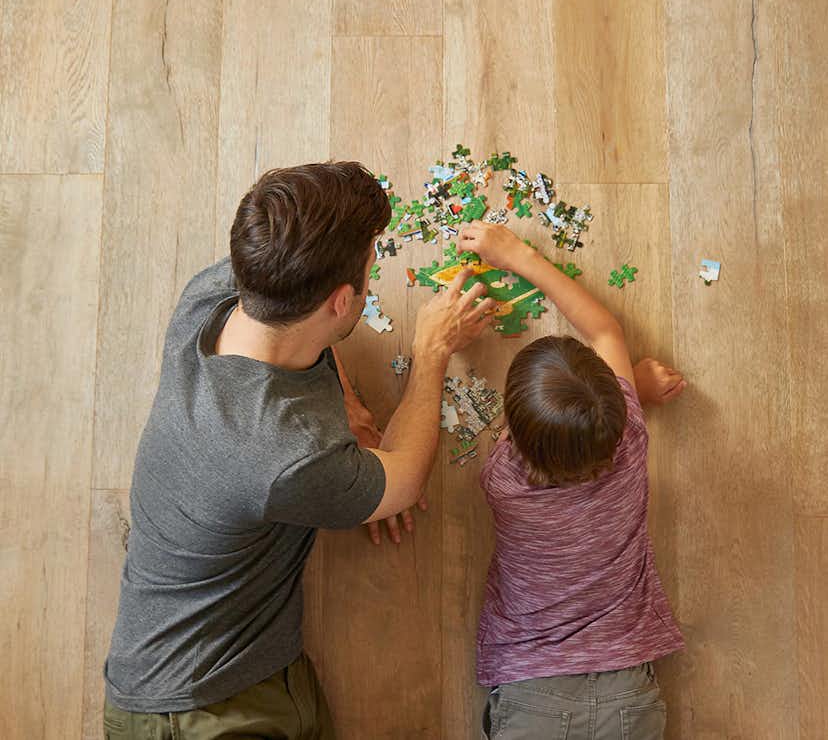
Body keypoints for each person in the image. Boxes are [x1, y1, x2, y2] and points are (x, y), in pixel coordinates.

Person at [102, 163, 496, 739]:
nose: (371, 275)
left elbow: (304, 334)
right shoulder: (286, 458)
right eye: (369, 269)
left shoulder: (215, 295)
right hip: (194, 710)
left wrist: (351, 412)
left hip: (241, 668)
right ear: (341, 301)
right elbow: (405, 482)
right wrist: (432, 350)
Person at [457, 220, 686, 740]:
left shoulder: (500, 482)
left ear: (510, 436)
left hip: (530, 685)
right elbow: (605, 331)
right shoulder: (629, 439)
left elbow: (604, 342)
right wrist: (521, 256)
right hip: (627, 691)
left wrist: (508, 254)